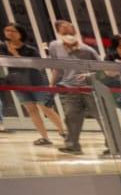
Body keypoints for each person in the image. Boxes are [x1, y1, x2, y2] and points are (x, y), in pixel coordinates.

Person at [45, 18, 111, 156]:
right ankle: (72, 145)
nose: (67, 30)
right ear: (58, 31)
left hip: (89, 88)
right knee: (71, 117)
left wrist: (89, 75)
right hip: (68, 88)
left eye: (69, 27)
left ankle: (113, 144)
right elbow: (56, 68)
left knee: (102, 117)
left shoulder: (87, 49)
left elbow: (102, 69)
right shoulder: (55, 46)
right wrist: (52, 86)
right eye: (63, 28)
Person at [0, 21, 60, 146]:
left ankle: (63, 131)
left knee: (46, 108)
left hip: (36, 82)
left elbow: (36, 66)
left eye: (13, 31)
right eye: (7, 30)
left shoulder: (30, 49)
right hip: (18, 82)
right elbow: (3, 61)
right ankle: (44, 137)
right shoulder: (2, 46)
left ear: (20, 33)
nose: (9, 33)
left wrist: (15, 54)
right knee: (31, 110)